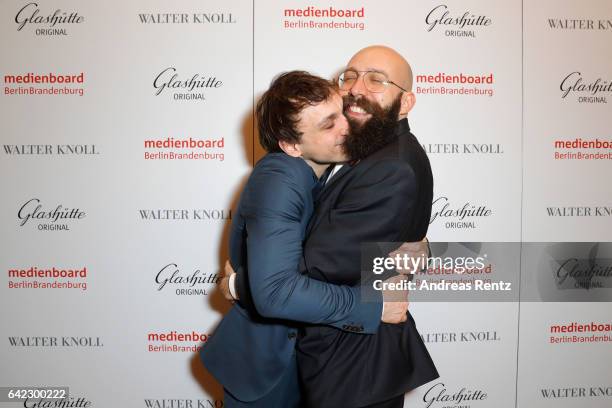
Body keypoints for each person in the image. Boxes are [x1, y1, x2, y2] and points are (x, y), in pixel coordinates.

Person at [228, 45, 439, 407]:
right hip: (337, 358)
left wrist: (238, 283)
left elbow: (310, 272)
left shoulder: (391, 165)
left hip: (353, 368)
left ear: (405, 103)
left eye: (377, 80)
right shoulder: (363, 148)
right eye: (351, 76)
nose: (357, 89)